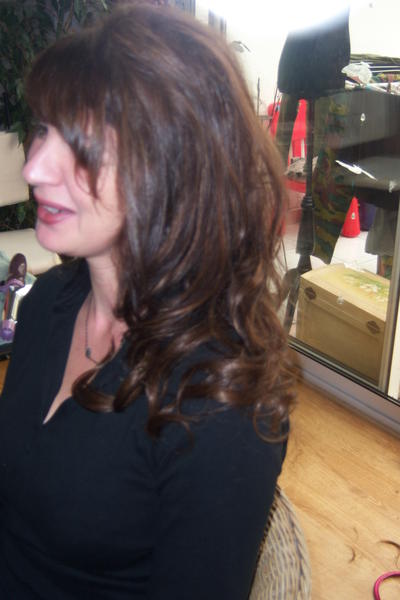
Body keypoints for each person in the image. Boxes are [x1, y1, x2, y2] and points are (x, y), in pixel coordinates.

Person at [0, 2, 293, 598]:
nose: (34, 168)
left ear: (175, 167)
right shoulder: (49, 302)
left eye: (84, 145)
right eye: (44, 130)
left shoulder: (218, 405)